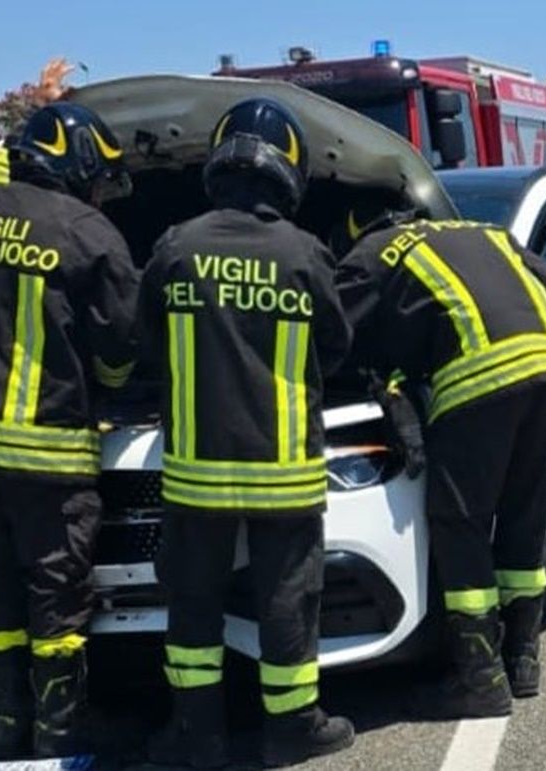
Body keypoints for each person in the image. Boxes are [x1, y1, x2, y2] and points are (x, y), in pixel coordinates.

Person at [140, 98, 354, 769]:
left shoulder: (175, 246)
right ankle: (293, 728)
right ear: (287, 169)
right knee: (288, 601)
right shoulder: (305, 254)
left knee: (193, 609)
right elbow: (339, 348)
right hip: (285, 471)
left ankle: (195, 735)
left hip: (195, 474)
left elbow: (143, 344)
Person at [0, 102, 138, 758]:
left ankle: (4, 727)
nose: (98, 190)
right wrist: (113, 390)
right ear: (80, 164)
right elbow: (119, 348)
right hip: (48, 451)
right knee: (56, 596)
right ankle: (58, 733)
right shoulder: (90, 233)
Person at [334, 208, 546, 718]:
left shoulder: (374, 251)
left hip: (477, 387)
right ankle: (522, 659)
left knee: (459, 521)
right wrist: (545, 348)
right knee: (523, 515)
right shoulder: (486, 231)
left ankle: (479, 679)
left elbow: (331, 334)